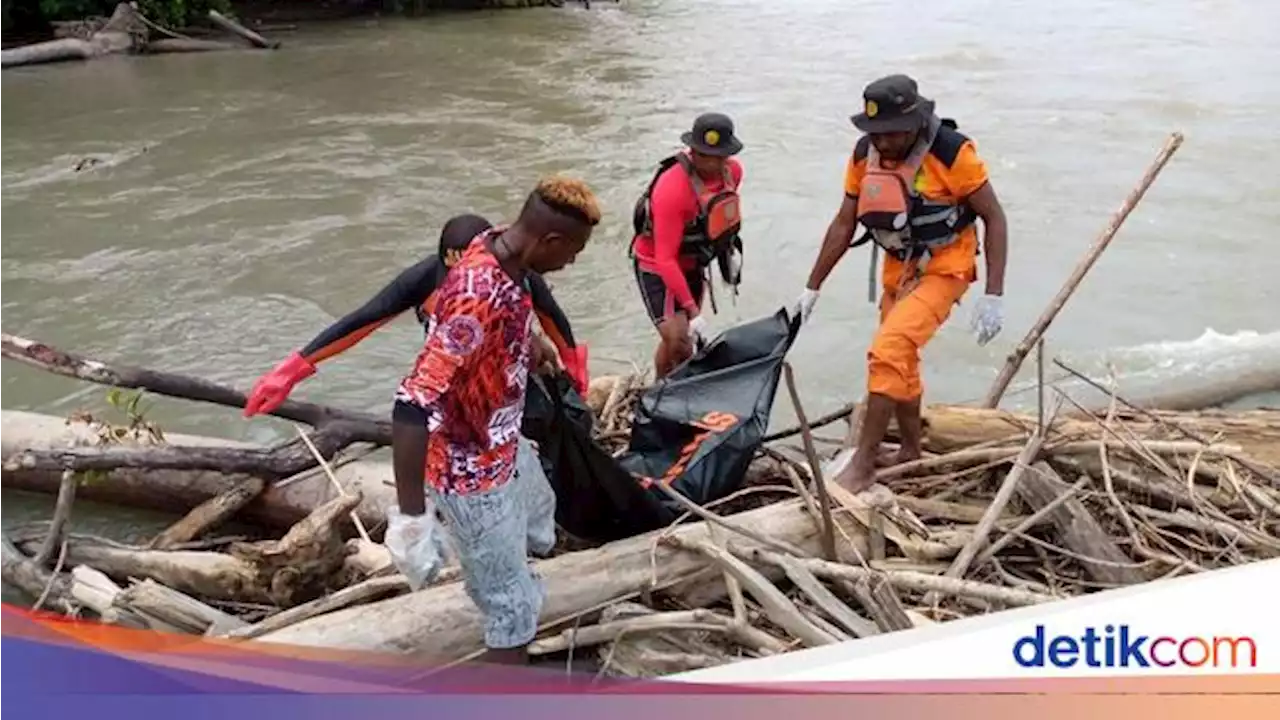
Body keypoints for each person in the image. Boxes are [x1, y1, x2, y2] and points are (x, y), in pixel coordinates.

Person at [384, 176, 601, 665]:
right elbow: (411, 404)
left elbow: (514, 302)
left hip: (504, 443)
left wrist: (528, 343)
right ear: (549, 241)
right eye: (573, 251)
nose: (572, 262)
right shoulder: (473, 299)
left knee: (541, 519)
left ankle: (502, 571)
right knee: (512, 608)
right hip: (470, 474)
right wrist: (411, 518)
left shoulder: (501, 246)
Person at [795, 74, 1008, 494]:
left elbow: (994, 217)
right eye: (874, 132)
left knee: (888, 349)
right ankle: (912, 451)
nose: (883, 142)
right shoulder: (865, 155)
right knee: (901, 357)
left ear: (913, 124)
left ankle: (863, 463)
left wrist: (994, 295)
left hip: (947, 266)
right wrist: (812, 287)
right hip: (899, 267)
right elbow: (844, 224)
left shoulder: (952, 153)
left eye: (890, 132)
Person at [241, 214, 590, 418]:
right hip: (455, 372)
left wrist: (576, 369)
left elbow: (554, 320)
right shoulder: (423, 279)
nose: (468, 280)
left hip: (512, 361)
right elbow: (361, 322)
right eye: (458, 271)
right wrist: (289, 373)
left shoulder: (518, 270)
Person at [630, 112, 746, 378]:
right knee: (681, 341)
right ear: (693, 151)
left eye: (719, 156)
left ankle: (660, 387)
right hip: (657, 265)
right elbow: (665, 258)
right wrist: (693, 312)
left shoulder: (734, 173)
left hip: (694, 263)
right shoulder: (672, 189)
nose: (713, 162)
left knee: (676, 342)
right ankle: (674, 393)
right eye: (704, 154)